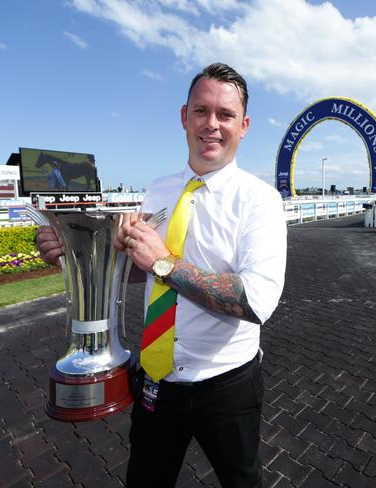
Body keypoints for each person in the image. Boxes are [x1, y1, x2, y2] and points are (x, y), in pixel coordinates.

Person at [35, 62, 287, 487]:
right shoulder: (159, 188)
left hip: (225, 385)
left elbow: (255, 301)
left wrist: (163, 263)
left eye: (225, 115)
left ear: (243, 126)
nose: (212, 124)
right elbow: (142, 275)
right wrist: (74, 255)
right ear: (183, 116)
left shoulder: (259, 200)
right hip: (156, 379)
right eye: (201, 111)